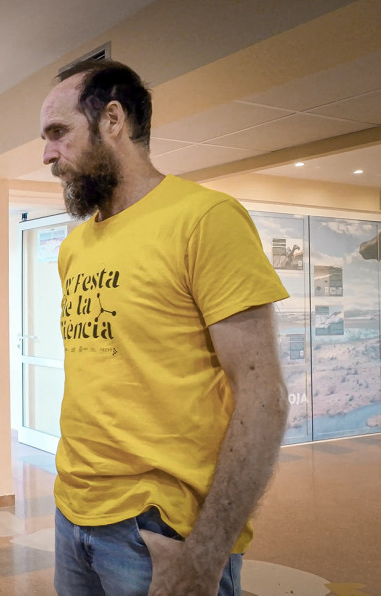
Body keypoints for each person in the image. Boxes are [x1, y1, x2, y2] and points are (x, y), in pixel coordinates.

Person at [39, 59, 289, 595]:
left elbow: (263, 396)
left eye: (58, 133)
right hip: (72, 511)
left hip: (161, 527)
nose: (48, 155)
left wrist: (207, 553)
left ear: (112, 120)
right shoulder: (75, 247)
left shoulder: (205, 218)